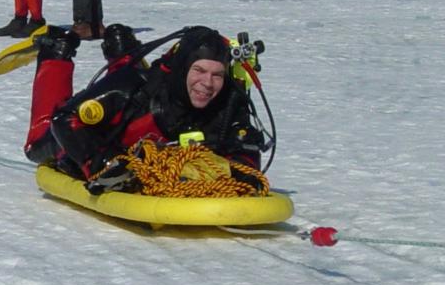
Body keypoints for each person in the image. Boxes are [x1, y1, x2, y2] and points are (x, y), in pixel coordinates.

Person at [23, 24, 267, 194]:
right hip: (100, 134)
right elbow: (65, 119)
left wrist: (240, 172)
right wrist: (103, 164)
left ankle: (121, 46)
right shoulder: (135, 88)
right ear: (183, 69)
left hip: (138, 128)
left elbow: (243, 142)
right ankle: (56, 52)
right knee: (37, 148)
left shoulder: (227, 99)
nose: (207, 83)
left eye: (217, 75)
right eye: (199, 71)